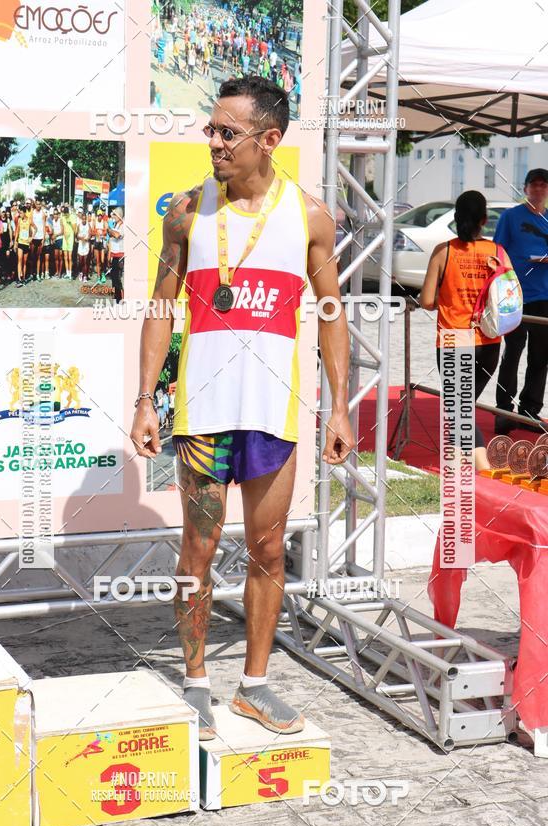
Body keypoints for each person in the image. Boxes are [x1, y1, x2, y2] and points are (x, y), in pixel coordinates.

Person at [130, 76, 354, 739]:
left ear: (270, 140)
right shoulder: (186, 212)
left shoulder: (311, 216)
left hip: (274, 416)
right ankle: (197, 684)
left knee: (267, 551)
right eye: (212, 129)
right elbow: (161, 309)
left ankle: (253, 687)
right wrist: (147, 399)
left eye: (228, 132)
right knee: (196, 551)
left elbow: (333, 314)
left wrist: (340, 407)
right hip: (201, 417)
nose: (214, 142)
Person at [420, 190, 513, 470]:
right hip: (489, 342)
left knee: (458, 408)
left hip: (453, 338)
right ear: (484, 220)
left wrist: (448, 298)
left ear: (455, 218)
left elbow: (426, 301)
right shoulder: (497, 252)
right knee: (462, 407)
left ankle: (484, 466)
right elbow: (509, 297)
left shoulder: (443, 252)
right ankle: (461, 462)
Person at [493, 168, 548, 433]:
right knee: (513, 351)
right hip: (515, 294)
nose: (538, 190)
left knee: (541, 356)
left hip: (545, 296)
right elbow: (497, 252)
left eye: (543, 185)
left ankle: (530, 411)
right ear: (525, 188)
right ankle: (503, 410)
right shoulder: (511, 217)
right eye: (534, 185)